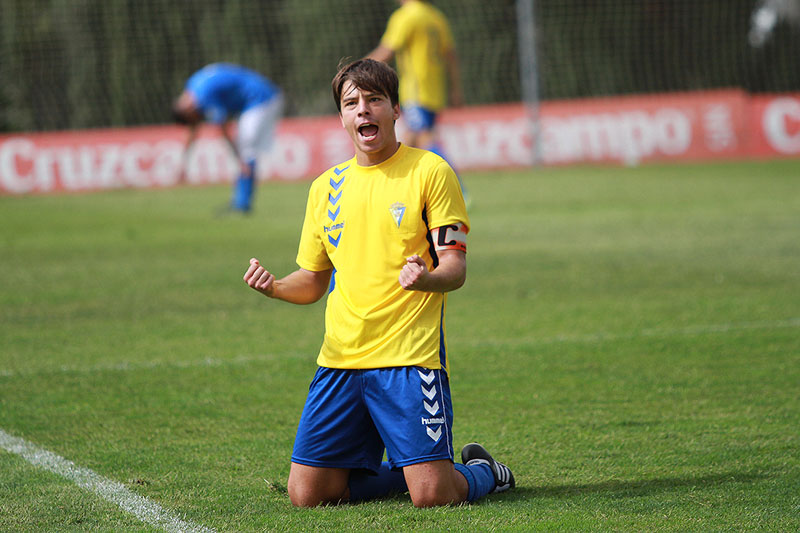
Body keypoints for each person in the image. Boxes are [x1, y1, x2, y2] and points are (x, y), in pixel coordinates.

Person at [243, 58, 513, 508]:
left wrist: (427, 278)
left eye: (374, 100)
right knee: (308, 496)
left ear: (395, 110)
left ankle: (483, 472)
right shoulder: (325, 188)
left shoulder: (430, 171)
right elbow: (312, 280)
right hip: (340, 361)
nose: (363, 110)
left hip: (409, 358)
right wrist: (274, 287)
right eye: (352, 103)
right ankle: (406, 473)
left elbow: (456, 269)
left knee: (434, 497)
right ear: (342, 117)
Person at [172, 63, 283, 212]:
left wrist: (237, 158)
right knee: (245, 149)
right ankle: (241, 202)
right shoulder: (193, 87)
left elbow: (223, 129)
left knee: (245, 148)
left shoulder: (204, 95)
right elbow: (193, 131)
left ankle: (242, 203)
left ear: (187, 110)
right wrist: (183, 164)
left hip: (261, 99)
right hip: (256, 101)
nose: (198, 119)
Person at [367, 0, 463, 159]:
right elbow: (451, 56)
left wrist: (356, 70)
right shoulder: (436, 17)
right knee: (412, 141)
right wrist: (456, 89)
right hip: (434, 90)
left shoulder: (406, 16)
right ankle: (397, 179)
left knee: (423, 137)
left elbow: (387, 51)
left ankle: (453, 181)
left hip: (415, 90)